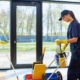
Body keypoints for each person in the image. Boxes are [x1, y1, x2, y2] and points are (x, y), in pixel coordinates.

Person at [55, 10, 80, 80]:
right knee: (77, 71)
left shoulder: (75, 24)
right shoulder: (71, 25)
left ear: (68, 15)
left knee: (71, 72)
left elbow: (75, 39)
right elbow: (69, 40)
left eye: (63, 18)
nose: (63, 19)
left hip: (77, 52)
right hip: (75, 51)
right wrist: (63, 48)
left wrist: (62, 41)